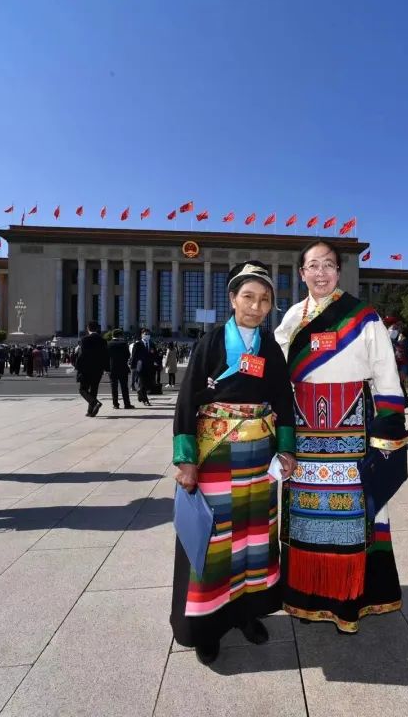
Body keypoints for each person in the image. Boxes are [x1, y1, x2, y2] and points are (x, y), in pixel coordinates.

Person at [275, 240, 408, 633]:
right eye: (313, 266)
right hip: (303, 434)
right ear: (302, 273)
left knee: (356, 516)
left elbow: (386, 374)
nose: (321, 273)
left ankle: (349, 603)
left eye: (328, 265)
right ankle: (306, 599)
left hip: (354, 431)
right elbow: (278, 375)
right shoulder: (292, 317)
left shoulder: (363, 316)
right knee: (305, 518)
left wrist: (386, 434)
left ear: (339, 271)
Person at [171, 261, 297, 665]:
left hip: (259, 460)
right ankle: (207, 627)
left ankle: (247, 613)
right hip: (216, 455)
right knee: (216, 540)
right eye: (248, 297)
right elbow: (187, 399)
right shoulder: (210, 342)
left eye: (264, 300)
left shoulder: (270, 348)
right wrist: (186, 461)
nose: (256, 307)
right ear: (232, 299)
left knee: (253, 537)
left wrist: (286, 449)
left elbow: (284, 401)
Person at [75, 322, 107, 417]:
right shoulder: (103, 340)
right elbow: (105, 355)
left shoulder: (85, 339)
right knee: (94, 390)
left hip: (86, 369)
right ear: (97, 329)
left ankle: (94, 403)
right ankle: (90, 411)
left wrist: (77, 366)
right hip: (98, 369)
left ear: (88, 328)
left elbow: (81, 355)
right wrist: (106, 368)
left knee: (82, 389)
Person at [386, 317, 408, 407]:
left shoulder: (400, 343)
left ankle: (406, 402)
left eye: (395, 329)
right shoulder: (397, 343)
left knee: (401, 384)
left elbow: (400, 357)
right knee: (406, 384)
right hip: (405, 367)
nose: (393, 331)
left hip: (403, 367)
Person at [107, 329, 134, 409]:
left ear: (113, 335)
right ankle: (127, 404)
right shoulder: (124, 344)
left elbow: (106, 357)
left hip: (112, 368)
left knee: (114, 387)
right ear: (120, 335)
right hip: (123, 367)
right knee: (124, 387)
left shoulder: (108, 344)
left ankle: (115, 404)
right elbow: (128, 355)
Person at [130, 329, 156, 405]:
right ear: (142, 335)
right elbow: (134, 356)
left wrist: (158, 363)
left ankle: (140, 393)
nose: (147, 335)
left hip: (150, 367)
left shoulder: (152, 344)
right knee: (142, 383)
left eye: (148, 334)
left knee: (148, 384)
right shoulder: (137, 344)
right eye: (145, 334)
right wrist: (133, 366)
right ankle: (145, 400)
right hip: (140, 367)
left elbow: (155, 355)